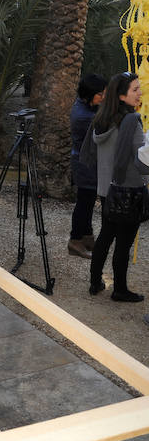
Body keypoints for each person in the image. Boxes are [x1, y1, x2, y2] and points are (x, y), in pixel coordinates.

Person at [86, 72, 149, 301]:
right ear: (122, 96)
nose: (140, 93)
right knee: (124, 241)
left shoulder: (101, 119)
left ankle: (95, 283)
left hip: (106, 188)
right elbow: (142, 161)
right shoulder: (131, 121)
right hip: (127, 189)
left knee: (106, 235)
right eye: (135, 89)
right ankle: (120, 290)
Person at [68, 72, 106, 258]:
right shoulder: (85, 117)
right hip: (85, 166)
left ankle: (87, 236)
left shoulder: (85, 105)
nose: (104, 97)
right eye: (101, 94)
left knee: (88, 202)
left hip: (86, 162)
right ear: (89, 95)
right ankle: (75, 240)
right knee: (84, 203)